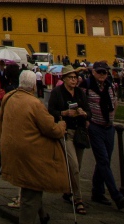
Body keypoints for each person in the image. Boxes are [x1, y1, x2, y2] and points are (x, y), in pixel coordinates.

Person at [0, 68, 69, 224]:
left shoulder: (8, 97)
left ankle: (42, 214)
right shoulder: (34, 103)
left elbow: (1, 120)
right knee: (31, 190)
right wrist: (62, 126)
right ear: (33, 87)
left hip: (11, 149)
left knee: (31, 185)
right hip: (30, 154)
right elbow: (51, 129)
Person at [48, 64, 91, 214]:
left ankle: (68, 190)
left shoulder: (80, 93)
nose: (74, 80)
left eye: (76, 77)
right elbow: (51, 111)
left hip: (79, 133)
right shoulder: (57, 93)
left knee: (77, 167)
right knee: (73, 166)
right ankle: (78, 200)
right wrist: (65, 113)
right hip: (66, 133)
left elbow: (88, 111)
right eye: (71, 77)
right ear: (64, 79)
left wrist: (83, 113)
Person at [85, 62, 124, 210]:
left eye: (105, 72)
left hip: (109, 128)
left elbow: (114, 102)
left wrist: (112, 117)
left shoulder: (110, 85)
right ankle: (116, 195)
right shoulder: (87, 85)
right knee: (103, 160)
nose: (103, 74)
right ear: (94, 72)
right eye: (100, 72)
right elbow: (82, 103)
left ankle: (97, 192)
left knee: (105, 160)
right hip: (95, 127)